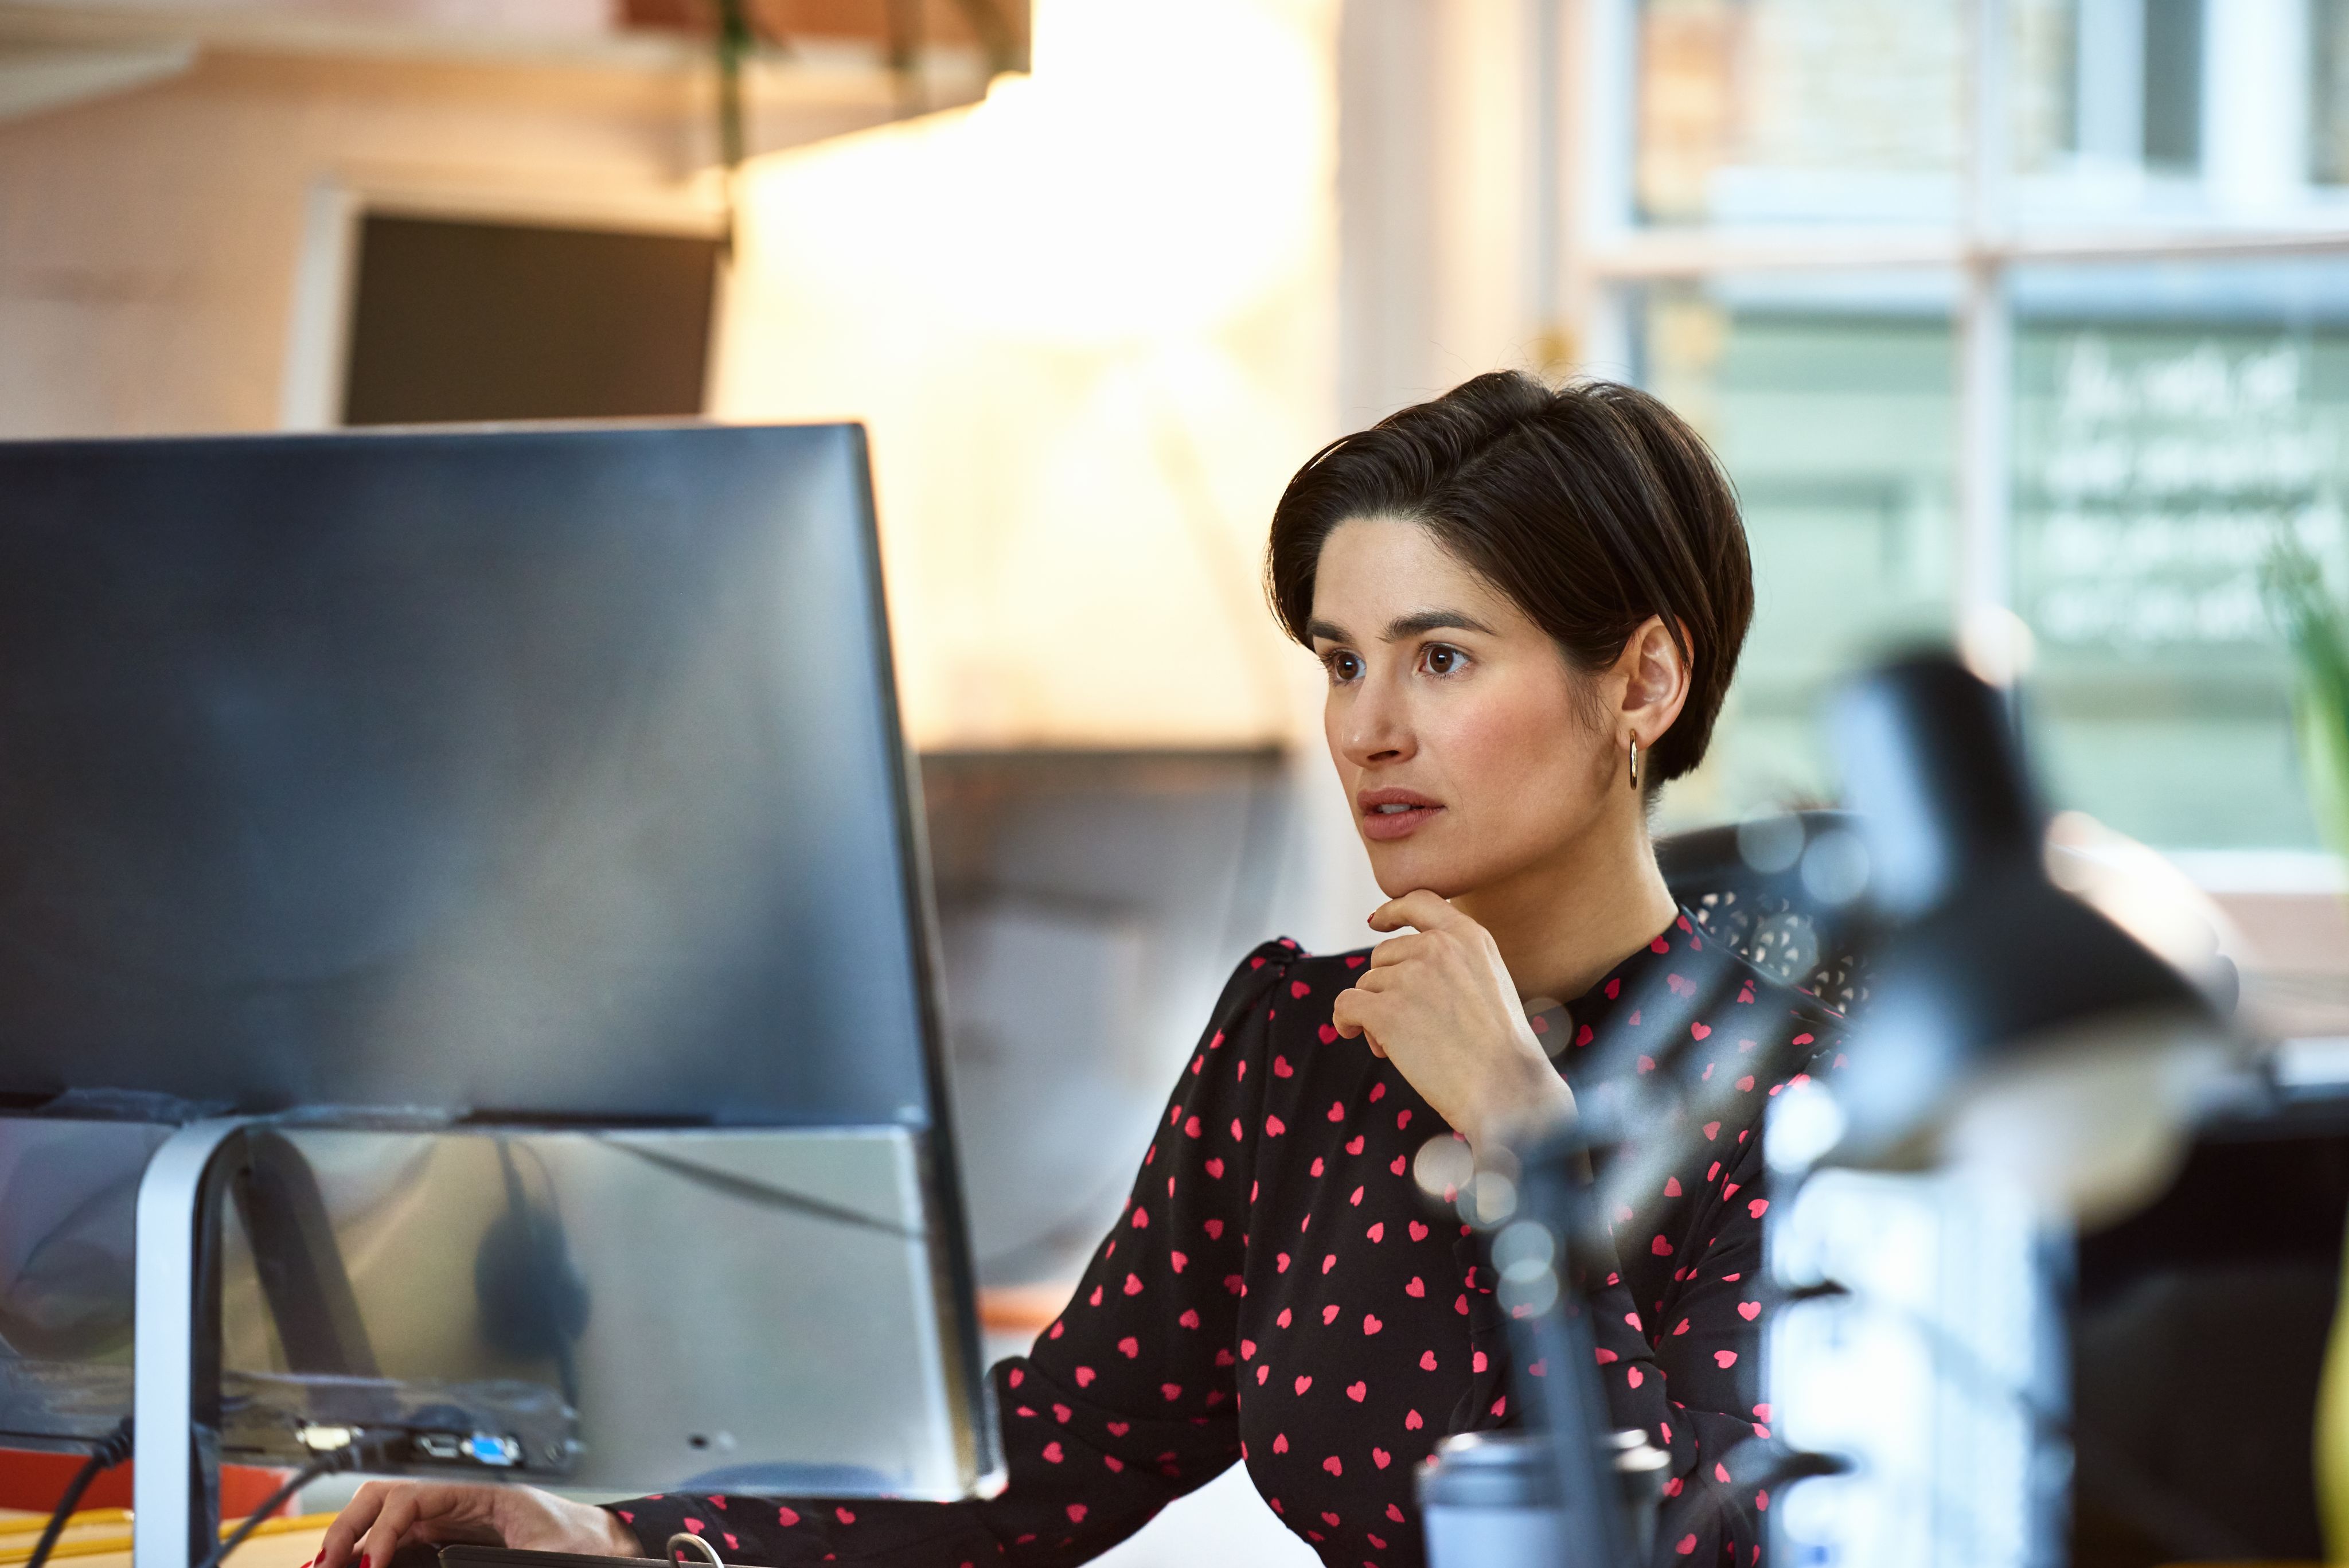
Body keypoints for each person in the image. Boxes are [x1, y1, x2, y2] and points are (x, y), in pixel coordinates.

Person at [315, 372, 1842, 1568]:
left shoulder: (1803, 1100)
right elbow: (1059, 1448)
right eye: (1339, 658)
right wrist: (629, 1529)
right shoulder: (1298, 1047)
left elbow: (1715, 1551)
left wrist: (1532, 1145)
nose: (1369, 727)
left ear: (1641, 681)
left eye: (1441, 657)